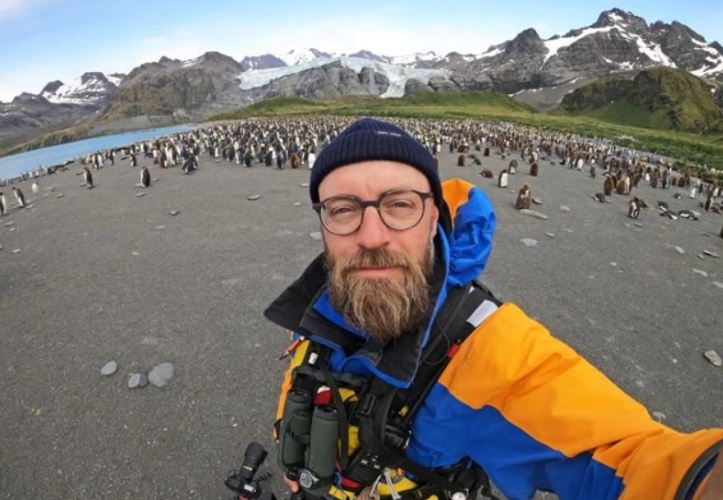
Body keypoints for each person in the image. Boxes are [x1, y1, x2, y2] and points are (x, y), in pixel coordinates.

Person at [264, 118, 722, 500]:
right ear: (323, 226)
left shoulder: (492, 351)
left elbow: (632, 457)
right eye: (343, 210)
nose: (371, 235)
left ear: (433, 220)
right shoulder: (323, 303)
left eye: (399, 205)